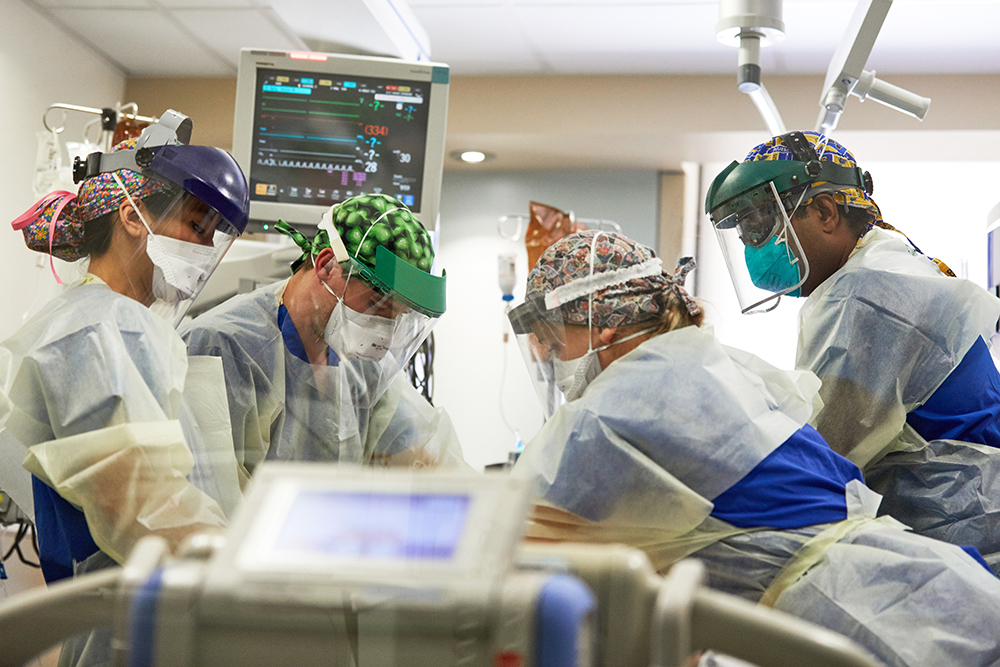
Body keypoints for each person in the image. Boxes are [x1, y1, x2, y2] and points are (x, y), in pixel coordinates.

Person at [508, 229, 1000, 667]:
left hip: (868, 624)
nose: (548, 356)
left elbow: (505, 537)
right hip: (936, 587)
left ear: (601, 324)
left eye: (551, 339)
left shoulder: (611, 413)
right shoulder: (713, 366)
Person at [0, 111, 250, 666]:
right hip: (132, 629)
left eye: (212, 236)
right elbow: (144, 507)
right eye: (196, 226)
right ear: (134, 219)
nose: (204, 249)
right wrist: (246, 575)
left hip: (146, 618)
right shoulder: (99, 330)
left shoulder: (126, 327)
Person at [705, 131, 1000, 569]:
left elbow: (824, 455)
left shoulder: (866, 295)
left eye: (762, 226)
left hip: (961, 538)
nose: (754, 249)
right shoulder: (879, 269)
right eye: (746, 235)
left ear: (825, 211)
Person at [180, 193, 467, 478]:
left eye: (397, 317)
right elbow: (208, 497)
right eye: (378, 306)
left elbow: (426, 456)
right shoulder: (221, 346)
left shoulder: (365, 369)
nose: (385, 335)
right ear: (327, 264)